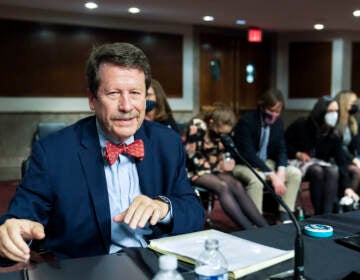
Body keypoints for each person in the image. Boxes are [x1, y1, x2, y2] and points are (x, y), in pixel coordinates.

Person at [0, 42, 205, 263]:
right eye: (114, 93)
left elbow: (193, 211)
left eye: (135, 93)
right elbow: (20, 220)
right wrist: (10, 235)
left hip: (157, 264)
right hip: (87, 270)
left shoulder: (168, 142)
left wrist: (163, 207)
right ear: (92, 99)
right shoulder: (54, 152)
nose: (127, 106)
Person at [184, 103, 268, 229]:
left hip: (212, 169)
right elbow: (191, 156)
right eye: (219, 132)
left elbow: (222, 153)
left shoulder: (224, 131)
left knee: (237, 185)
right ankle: (248, 228)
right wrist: (218, 164)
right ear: (212, 122)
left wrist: (227, 161)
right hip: (194, 170)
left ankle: (264, 226)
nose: (220, 135)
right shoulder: (198, 125)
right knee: (222, 186)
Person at [232, 89, 301, 223]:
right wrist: (272, 175)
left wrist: (281, 170)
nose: (274, 115)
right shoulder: (247, 121)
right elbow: (248, 154)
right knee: (257, 180)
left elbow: (282, 149)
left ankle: (284, 215)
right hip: (244, 163)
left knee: (294, 173)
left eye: (277, 112)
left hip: (265, 162)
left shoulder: (279, 123)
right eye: (271, 110)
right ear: (262, 107)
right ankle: (256, 220)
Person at [285, 96, 353, 215]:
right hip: (297, 161)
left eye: (336, 111)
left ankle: (326, 214)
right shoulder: (301, 124)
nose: (334, 115)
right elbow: (283, 143)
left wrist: (347, 186)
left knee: (333, 171)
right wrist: (297, 153)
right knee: (317, 171)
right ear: (321, 111)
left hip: (320, 164)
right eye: (331, 111)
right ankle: (318, 213)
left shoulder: (334, 133)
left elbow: (341, 160)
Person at [335, 90, 360, 202]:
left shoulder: (352, 122)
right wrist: (353, 159)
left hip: (349, 158)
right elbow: (338, 147)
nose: (355, 106)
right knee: (357, 170)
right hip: (337, 158)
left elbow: (355, 145)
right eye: (353, 103)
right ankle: (348, 199)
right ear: (345, 104)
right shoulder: (336, 122)